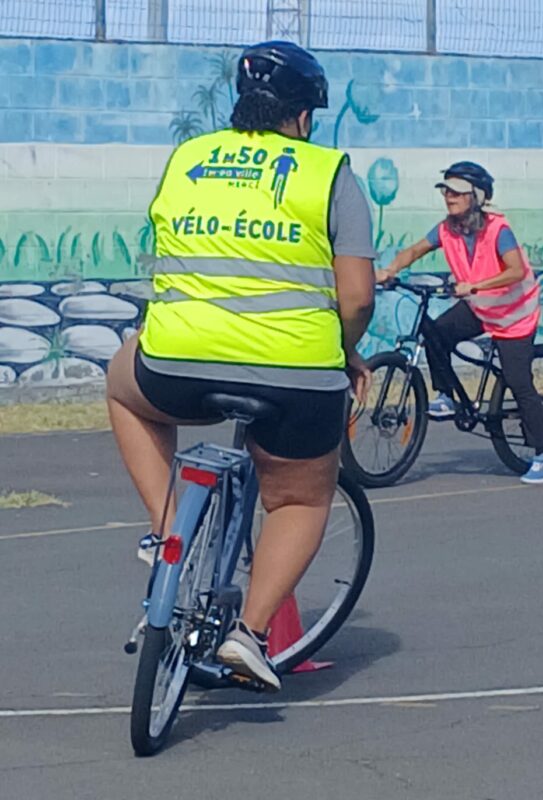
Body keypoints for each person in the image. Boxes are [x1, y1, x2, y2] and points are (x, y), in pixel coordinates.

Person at [106, 41, 376, 690]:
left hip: (180, 362)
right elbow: (358, 298)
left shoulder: (188, 158)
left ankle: (168, 533)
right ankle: (249, 633)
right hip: (294, 377)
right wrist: (347, 352)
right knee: (299, 499)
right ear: (304, 116)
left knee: (121, 387)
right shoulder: (328, 173)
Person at [376, 161, 543, 485]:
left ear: (477, 197)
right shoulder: (447, 229)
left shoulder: (498, 231)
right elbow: (415, 250)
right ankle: (446, 395)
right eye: (446, 191)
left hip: (514, 315)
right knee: (435, 334)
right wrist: (390, 270)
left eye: (458, 192)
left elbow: (516, 270)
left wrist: (475, 286)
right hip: (480, 307)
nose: (449, 197)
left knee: (518, 381)